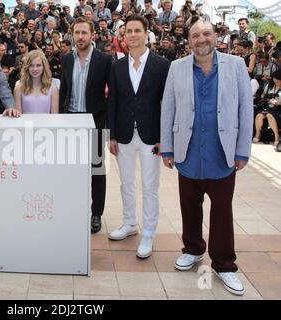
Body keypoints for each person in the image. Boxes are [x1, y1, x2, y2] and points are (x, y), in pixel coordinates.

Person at [160, 17, 253, 296]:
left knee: (222, 211)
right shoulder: (177, 68)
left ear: (216, 37)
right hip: (188, 150)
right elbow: (169, 107)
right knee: (189, 206)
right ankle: (192, 248)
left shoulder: (235, 66)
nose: (202, 39)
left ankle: (224, 264)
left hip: (221, 153)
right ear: (189, 41)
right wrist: (167, 147)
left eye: (207, 33)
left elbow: (245, 109)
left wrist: (242, 150)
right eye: (196, 35)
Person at [108, 15, 169, 258]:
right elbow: (113, 101)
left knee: (150, 185)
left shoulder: (162, 64)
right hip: (123, 134)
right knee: (127, 183)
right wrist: (112, 135)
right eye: (128, 31)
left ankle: (149, 234)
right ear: (124, 36)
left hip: (151, 136)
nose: (132, 35)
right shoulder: (117, 66)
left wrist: (164, 137)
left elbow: (167, 103)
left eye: (137, 30)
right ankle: (130, 223)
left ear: (146, 34)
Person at [59, 16, 112, 233]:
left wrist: (107, 123)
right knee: (72, 170)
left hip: (95, 121)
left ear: (92, 35)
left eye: (84, 33)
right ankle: (75, 210)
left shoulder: (105, 60)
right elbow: (64, 89)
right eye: (76, 33)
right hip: (71, 120)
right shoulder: (67, 59)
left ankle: (96, 213)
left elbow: (113, 94)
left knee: (96, 171)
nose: (80, 37)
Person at [14, 49, 58, 114]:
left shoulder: (53, 89)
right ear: (27, 67)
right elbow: (18, 117)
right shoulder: (19, 88)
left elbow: (55, 117)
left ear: (44, 66)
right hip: (26, 124)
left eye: (38, 65)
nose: (35, 69)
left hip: (47, 124)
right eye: (31, 65)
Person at [253, 69, 281, 149]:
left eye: (278, 80)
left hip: (277, 110)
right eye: (275, 79)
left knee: (269, 115)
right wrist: (263, 98)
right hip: (267, 107)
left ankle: (276, 136)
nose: (276, 81)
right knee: (259, 115)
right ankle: (258, 134)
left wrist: (277, 102)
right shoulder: (269, 86)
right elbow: (263, 95)